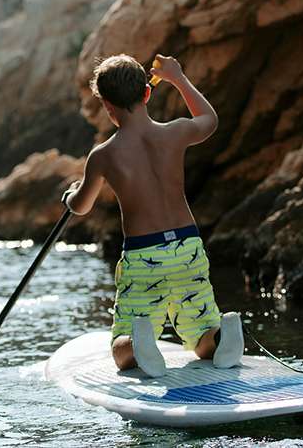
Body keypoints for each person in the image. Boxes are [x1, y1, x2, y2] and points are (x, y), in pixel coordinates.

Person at [62, 54, 243, 377]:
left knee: (121, 349)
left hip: (144, 254)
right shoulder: (174, 133)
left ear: (107, 106)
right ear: (147, 94)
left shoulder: (104, 155)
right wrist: (178, 78)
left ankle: (136, 342)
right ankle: (221, 335)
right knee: (200, 332)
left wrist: (70, 195)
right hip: (188, 247)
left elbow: (82, 206)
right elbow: (209, 120)